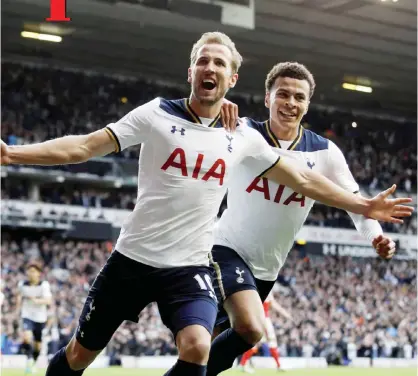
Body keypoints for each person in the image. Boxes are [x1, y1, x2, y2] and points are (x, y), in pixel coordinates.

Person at [1, 35, 412, 376]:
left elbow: (305, 180)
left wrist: (366, 209)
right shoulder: (160, 115)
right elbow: (85, 147)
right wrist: (13, 155)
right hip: (139, 258)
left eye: (219, 63)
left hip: (190, 265)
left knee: (200, 345)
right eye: (203, 61)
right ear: (191, 71)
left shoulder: (246, 139)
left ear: (232, 78)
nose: (210, 68)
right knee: (79, 355)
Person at [206, 62, 410, 375]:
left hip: (268, 268)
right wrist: (217, 107)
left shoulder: (325, 153)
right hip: (226, 248)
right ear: (267, 98)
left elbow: (357, 203)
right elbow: (202, 137)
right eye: (283, 94)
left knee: (216, 346)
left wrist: (376, 237)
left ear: (307, 104)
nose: (290, 102)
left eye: (299, 97)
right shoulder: (244, 132)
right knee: (250, 327)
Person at [238, 292, 290, 373]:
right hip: (263, 320)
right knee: (271, 342)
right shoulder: (262, 290)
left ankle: (242, 364)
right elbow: (273, 304)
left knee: (255, 344)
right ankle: (279, 366)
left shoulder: (257, 290)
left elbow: (273, 304)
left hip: (257, 320)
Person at [16, 262, 53, 374]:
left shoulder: (44, 285)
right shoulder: (22, 284)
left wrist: (37, 300)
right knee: (27, 337)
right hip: (27, 315)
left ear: (39, 273)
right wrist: (17, 307)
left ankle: (34, 362)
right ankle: (29, 360)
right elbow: (19, 294)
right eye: (29, 271)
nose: (30, 273)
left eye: (33, 271)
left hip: (40, 318)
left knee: (38, 345)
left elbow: (49, 300)